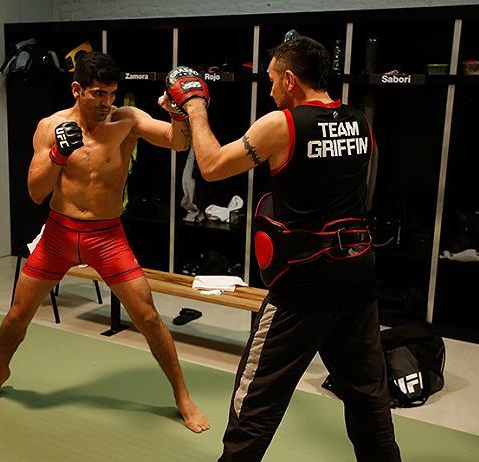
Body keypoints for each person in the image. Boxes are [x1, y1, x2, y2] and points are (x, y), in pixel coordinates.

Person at [163, 36, 401, 460]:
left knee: (254, 403)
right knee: (369, 400)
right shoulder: (360, 122)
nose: (271, 90)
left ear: (290, 79)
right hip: (358, 279)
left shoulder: (282, 123)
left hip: (302, 289)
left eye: (273, 80)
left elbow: (213, 166)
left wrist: (195, 108)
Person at [0, 51, 209, 433]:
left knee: (147, 316)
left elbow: (178, 143)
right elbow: (35, 193)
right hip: (59, 233)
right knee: (17, 315)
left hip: (106, 236)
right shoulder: (50, 127)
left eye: (112, 93)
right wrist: (57, 155)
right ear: (77, 89)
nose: (106, 102)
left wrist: (179, 113)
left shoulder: (126, 121)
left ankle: (182, 395)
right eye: (98, 93)